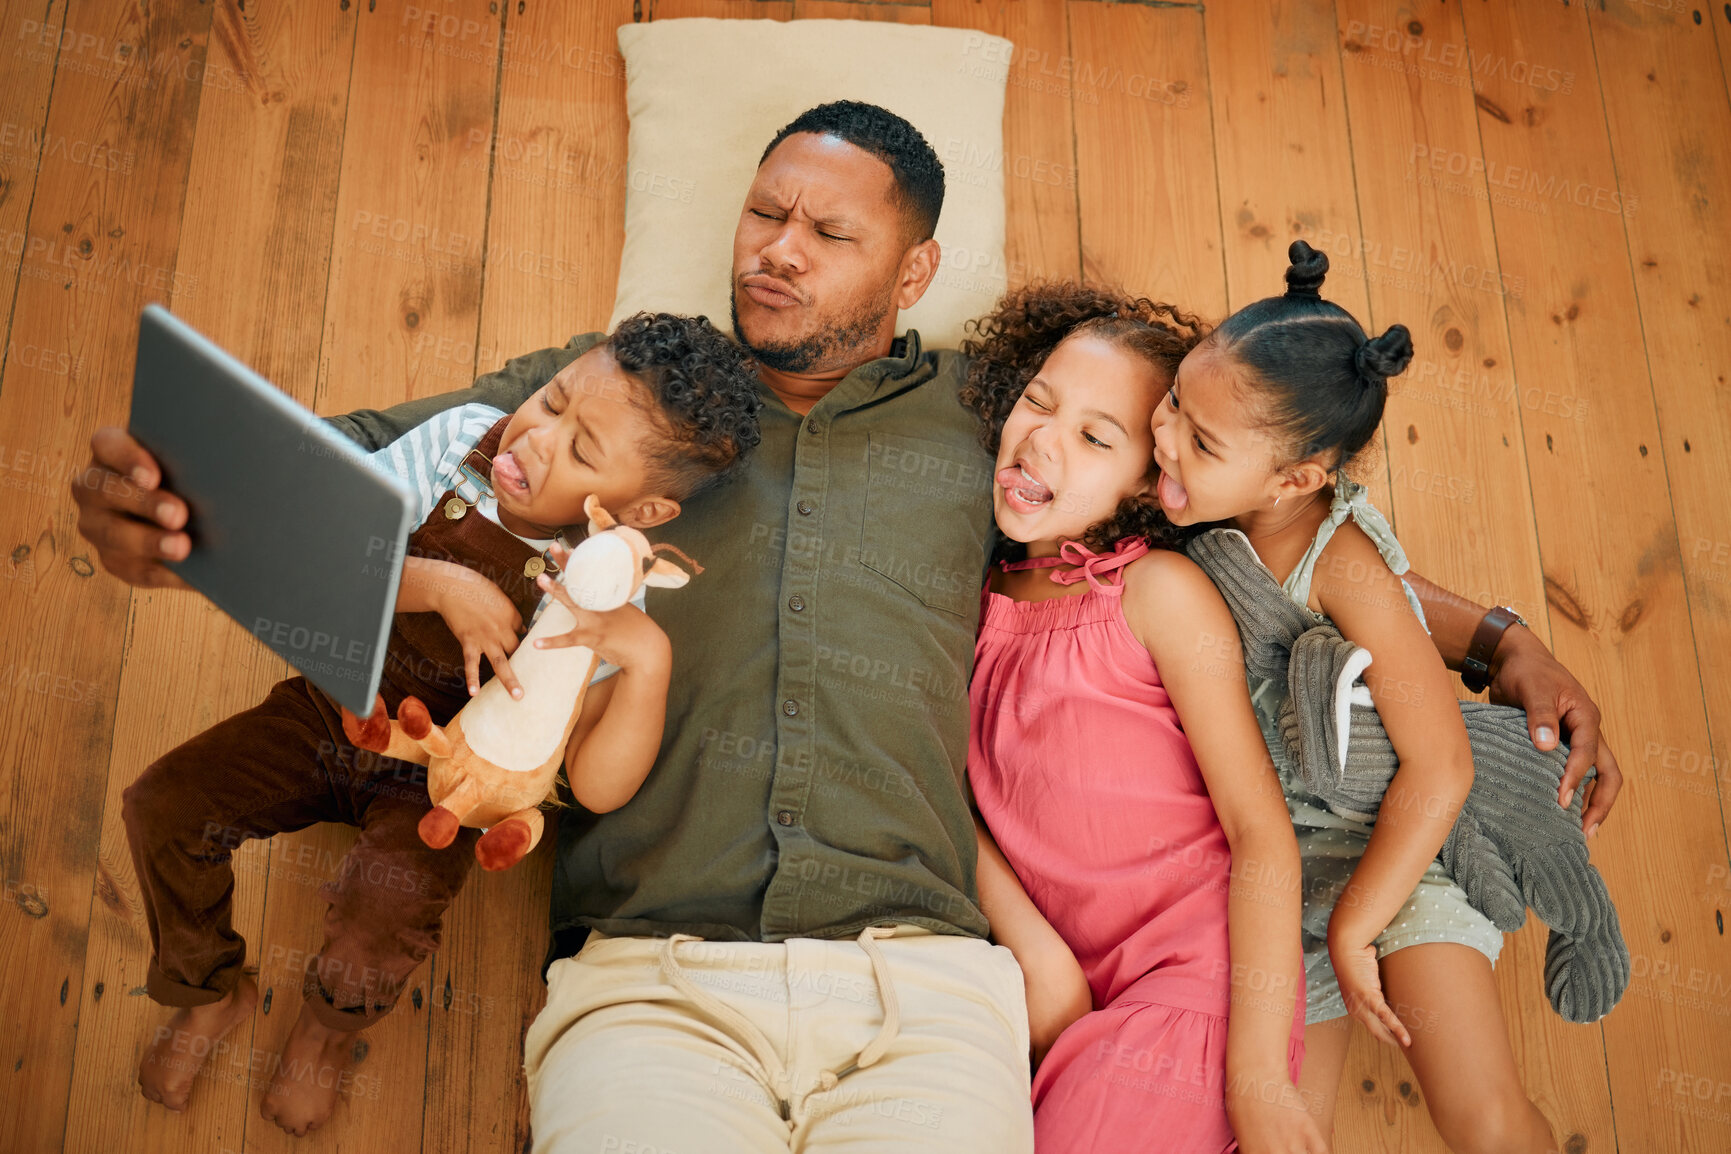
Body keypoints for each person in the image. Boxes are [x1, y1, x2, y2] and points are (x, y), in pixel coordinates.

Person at [73, 101, 1621, 1150]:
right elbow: (340, 457)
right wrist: (173, 506)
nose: (774, 251)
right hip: (648, 971)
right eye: (761, 215)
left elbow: (1248, 516)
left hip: (934, 986)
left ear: (916, 271)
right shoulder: (624, 391)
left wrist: (1500, 639)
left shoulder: (1006, 427)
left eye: (826, 234)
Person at [118, 313, 760, 1136]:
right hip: (337, 708)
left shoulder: (608, 593)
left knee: (378, 925)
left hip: (447, 788)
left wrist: (648, 665)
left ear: (642, 507)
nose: (536, 438)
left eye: (582, 449)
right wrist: (432, 584)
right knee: (162, 806)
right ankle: (207, 988)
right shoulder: (463, 443)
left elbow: (599, 786)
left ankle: (325, 1031)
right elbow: (323, 551)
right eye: (551, 400)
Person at [1150, 240, 1557, 1152]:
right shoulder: (1197, 519)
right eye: (1175, 397)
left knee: (1482, 1116)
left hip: (1392, 864)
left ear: (1298, 478)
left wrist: (1358, 923)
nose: (1164, 432)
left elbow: (1440, 762)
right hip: (1274, 886)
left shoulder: (1343, 562)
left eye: (1201, 440)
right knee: (1284, 1131)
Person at [960, 283, 1327, 1153]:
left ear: (1145, 480)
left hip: (1197, 996)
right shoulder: (967, 602)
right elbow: (942, 792)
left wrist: (1260, 1083)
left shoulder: (1157, 595)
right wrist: (1037, 954)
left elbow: (1259, 834)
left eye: (1095, 437)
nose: (1043, 441)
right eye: (1037, 402)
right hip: (1050, 997)